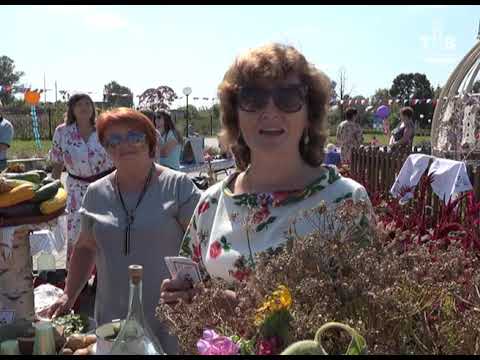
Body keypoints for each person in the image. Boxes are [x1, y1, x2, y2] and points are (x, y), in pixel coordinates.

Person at [160, 43, 375, 304]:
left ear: (309, 114)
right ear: (235, 115)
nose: (271, 111)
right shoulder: (211, 204)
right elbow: (192, 300)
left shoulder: (346, 200)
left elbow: (369, 320)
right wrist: (182, 298)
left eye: (289, 97)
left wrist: (245, 310)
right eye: (253, 98)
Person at [42, 108, 202, 354]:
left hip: (169, 318)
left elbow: (202, 249)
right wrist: (69, 295)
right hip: (112, 322)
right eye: (113, 139)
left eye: (134, 137)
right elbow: (86, 247)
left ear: (150, 140)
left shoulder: (178, 186)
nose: (123, 145)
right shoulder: (95, 193)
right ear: (105, 147)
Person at [49, 93, 115, 264]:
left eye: (88, 103)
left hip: (105, 188)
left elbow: (117, 159)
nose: (84, 107)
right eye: (79, 104)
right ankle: (78, 279)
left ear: (93, 108)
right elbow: (57, 164)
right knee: (77, 232)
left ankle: (103, 276)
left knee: (104, 230)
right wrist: (50, 191)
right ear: (72, 109)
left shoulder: (104, 130)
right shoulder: (62, 132)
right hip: (76, 190)